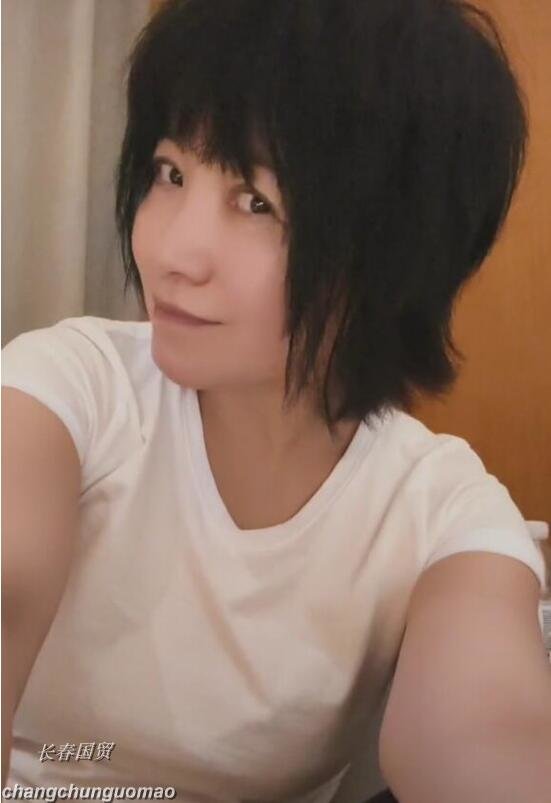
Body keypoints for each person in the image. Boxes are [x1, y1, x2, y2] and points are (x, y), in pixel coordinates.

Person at [2, 0, 547, 801]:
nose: (173, 252)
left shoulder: (439, 510)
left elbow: (486, 732)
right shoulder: (72, 386)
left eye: (256, 202)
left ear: (392, 251)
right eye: (170, 173)